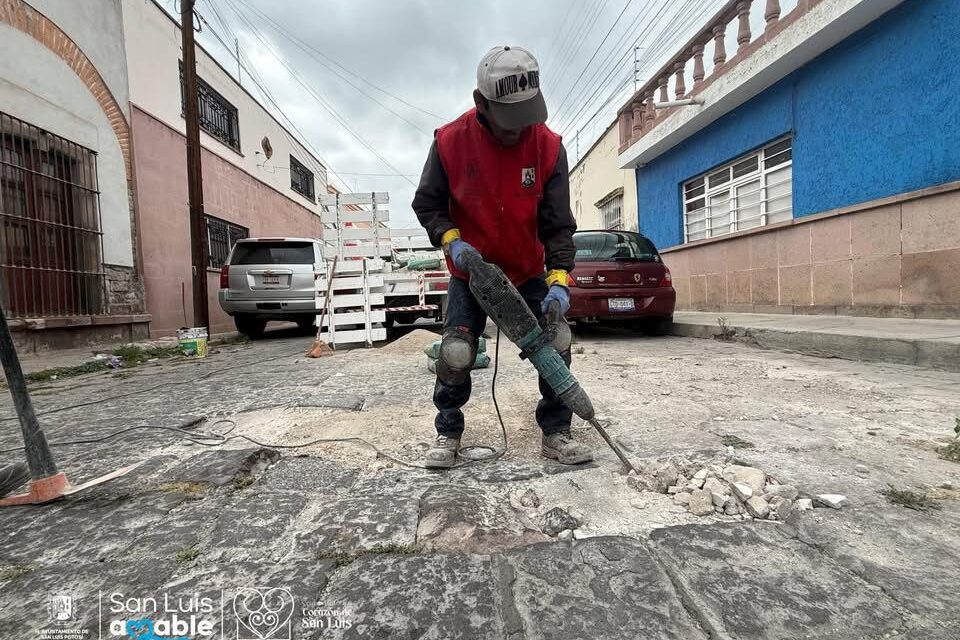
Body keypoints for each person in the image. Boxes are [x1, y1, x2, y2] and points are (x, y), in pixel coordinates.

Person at [412, 45, 593, 469]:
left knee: (557, 343)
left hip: (527, 269)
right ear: (481, 104)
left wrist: (560, 278)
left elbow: (557, 224)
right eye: (509, 120)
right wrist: (451, 239)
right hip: (471, 272)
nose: (519, 130)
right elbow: (428, 204)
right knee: (456, 352)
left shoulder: (548, 148)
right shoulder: (449, 143)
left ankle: (556, 430)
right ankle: (448, 431)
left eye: (526, 116)